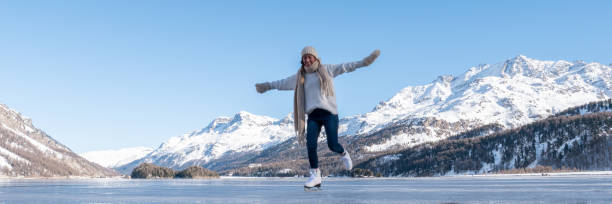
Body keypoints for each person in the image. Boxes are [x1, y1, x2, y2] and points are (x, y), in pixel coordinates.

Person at [254, 46, 380, 189]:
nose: (307, 60)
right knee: (311, 144)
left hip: (329, 114)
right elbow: (282, 83)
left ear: (315, 58)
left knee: (332, 145)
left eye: (309, 57)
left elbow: (346, 67)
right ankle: (315, 175)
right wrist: (267, 86)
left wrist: (364, 62)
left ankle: (343, 153)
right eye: (304, 58)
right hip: (313, 115)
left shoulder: (328, 69)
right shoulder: (300, 77)